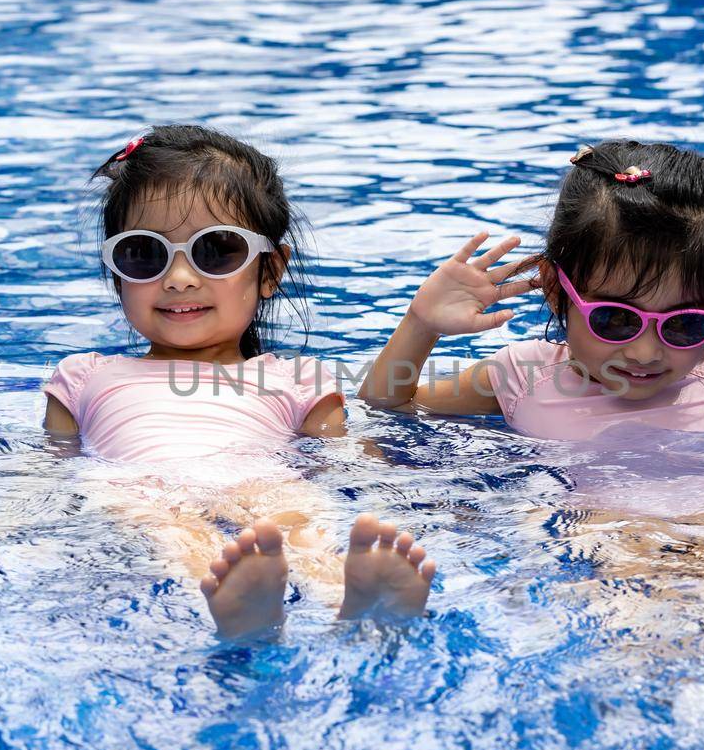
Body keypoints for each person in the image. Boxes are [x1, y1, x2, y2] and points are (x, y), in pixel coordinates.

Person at [42, 125, 435, 638]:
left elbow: (338, 463)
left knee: (296, 518)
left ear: (270, 271)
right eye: (144, 253)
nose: (179, 277)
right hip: (135, 482)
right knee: (168, 526)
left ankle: (353, 598)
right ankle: (239, 608)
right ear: (117, 273)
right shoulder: (83, 376)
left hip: (261, 477)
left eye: (216, 250)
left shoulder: (298, 379)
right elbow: (50, 470)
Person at [358, 139, 704, 436]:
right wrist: (420, 325)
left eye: (686, 325)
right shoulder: (519, 375)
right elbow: (387, 407)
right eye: (615, 319)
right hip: (584, 534)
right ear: (557, 292)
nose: (647, 351)